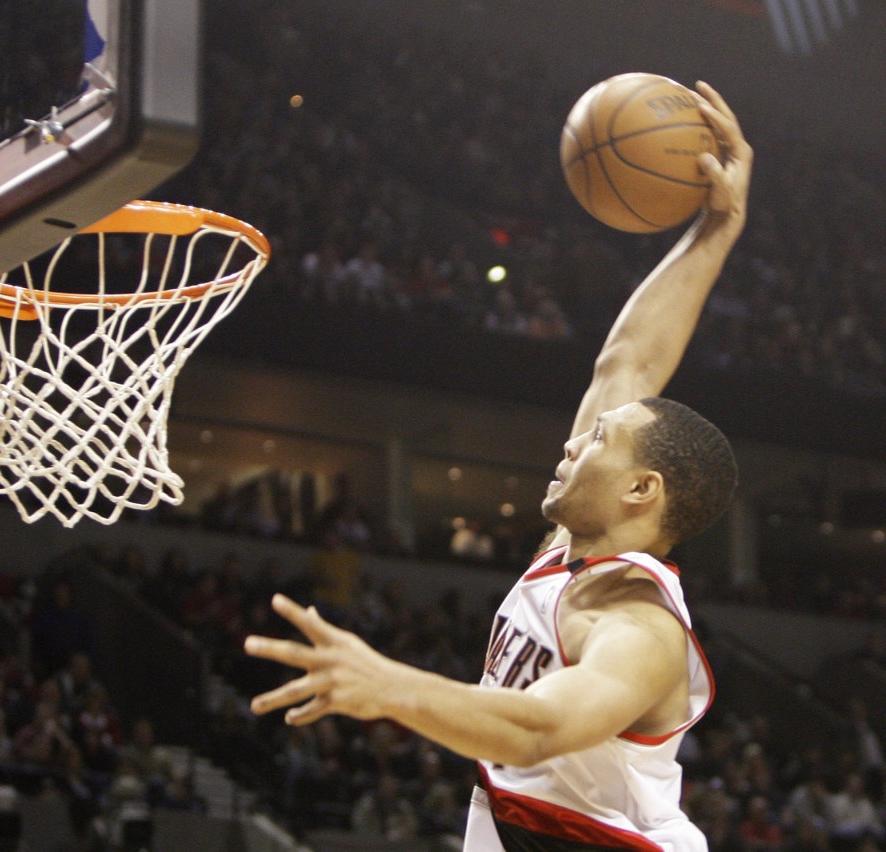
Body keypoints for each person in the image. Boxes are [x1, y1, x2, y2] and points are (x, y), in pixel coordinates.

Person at [244, 81, 752, 851]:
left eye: (597, 441)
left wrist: (391, 686)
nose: (571, 443)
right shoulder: (571, 552)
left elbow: (541, 728)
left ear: (641, 489)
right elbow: (630, 360)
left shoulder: (637, 625)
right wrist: (718, 226)